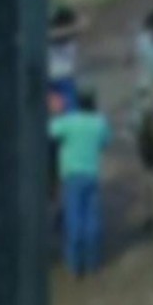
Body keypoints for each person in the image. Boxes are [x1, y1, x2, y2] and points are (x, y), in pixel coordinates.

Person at [49, 87, 111, 278]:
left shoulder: (69, 122)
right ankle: (93, 264)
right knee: (92, 220)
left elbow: (50, 132)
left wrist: (56, 113)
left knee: (74, 220)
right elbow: (105, 143)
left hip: (71, 177)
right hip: (91, 175)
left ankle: (75, 266)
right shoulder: (100, 123)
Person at [48, 6, 84, 114]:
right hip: (52, 80)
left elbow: (82, 23)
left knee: (70, 112)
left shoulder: (70, 36)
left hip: (64, 79)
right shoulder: (52, 35)